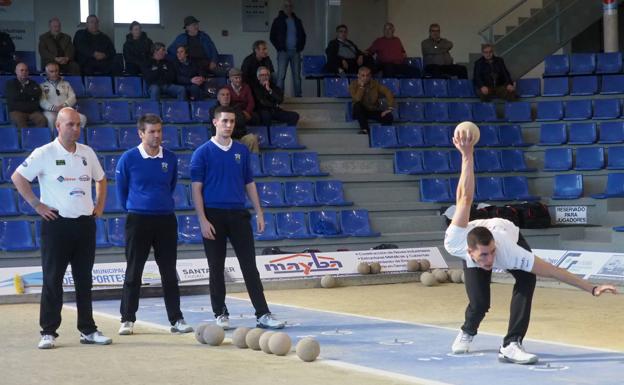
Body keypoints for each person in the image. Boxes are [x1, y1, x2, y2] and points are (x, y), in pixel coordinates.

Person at [445, 125, 618, 364]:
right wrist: (466, 154)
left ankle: (511, 343)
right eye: (484, 256)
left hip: (508, 232)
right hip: (479, 236)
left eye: (492, 253)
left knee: (528, 278)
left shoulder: (506, 250)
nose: (491, 261)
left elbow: (554, 271)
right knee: (480, 303)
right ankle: (468, 330)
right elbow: (464, 197)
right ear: (470, 253)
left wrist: (592, 288)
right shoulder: (455, 241)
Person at [11, 107, 112, 349]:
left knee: (84, 280)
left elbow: (101, 179)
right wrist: (36, 204)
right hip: (56, 225)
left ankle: (88, 330)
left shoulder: (88, 153)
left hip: (85, 225)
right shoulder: (44, 153)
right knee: (53, 279)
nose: (76, 129)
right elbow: (18, 177)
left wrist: (99, 205)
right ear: (58, 126)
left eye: (78, 124)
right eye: (70, 125)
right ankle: (48, 331)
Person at [190, 105, 285, 330]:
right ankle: (220, 313)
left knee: (249, 266)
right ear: (215, 122)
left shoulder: (241, 151)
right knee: (216, 267)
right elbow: (196, 189)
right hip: (213, 216)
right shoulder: (202, 152)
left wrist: (259, 211)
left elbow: (249, 183)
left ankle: (262, 313)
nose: (228, 125)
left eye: (232, 121)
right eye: (224, 121)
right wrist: (203, 220)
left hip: (239, 215)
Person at [115, 114, 192, 336]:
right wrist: (136, 207)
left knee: (169, 272)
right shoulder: (128, 158)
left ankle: (176, 319)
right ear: (141, 133)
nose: (157, 135)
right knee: (133, 271)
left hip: (166, 220)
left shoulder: (171, 158)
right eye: (152, 131)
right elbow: (122, 191)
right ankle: (127, 319)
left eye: (159, 131)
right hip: (138, 220)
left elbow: (171, 185)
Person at [270, 0, 306, 97]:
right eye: (286, 6)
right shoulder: (278, 20)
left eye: (290, 6)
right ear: (283, 7)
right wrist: (279, 48)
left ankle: (298, 97)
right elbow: (272, 36)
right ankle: (279, 97)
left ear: (292, 7)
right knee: (281, 76)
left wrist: (300, 47)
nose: (288, 8)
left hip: (295, 52)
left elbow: (303, 35)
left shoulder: (297, 21)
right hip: (283, 52)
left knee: (297, 77)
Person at [210, 87, 259, 154]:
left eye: (228, 95)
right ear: (218, 98)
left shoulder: (236, 108)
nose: (226, 97)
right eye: (223, 95)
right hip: (224, 140)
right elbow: (217, 130)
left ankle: (253, 163)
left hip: (239, 138)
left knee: (252, 138)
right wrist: (234, 127)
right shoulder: (214, 110)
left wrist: (229, 129)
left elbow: (242, 124)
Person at [40, 62, 87, 131]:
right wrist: (53, 108)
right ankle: (53, 138)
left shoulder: (66, 84)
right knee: (51, 119)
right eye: (51, 71)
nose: (55, 73)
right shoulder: (42, 86)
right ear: (47, 73)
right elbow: (42, 101)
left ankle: (75, 137)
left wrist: (64, 105)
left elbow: (73, 97)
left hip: (65, 109)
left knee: (82, 118)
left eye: (56, 71)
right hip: (50, 111)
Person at [349, 66, 394, 135]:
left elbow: (388, 92)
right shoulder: (353, 85)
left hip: (372, 110)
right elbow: (357, 99)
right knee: (357, 105)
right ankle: (364, 129)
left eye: (367, 75)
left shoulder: (375, 84)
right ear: (358, 76)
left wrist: (390, 108)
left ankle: (383, 134)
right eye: (363, 75)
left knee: (389, 116)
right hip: (360, 111)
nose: (365, 78)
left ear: (370, 76)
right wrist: (361, 87)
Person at [5, 62, 48, 129]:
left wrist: (22, 94)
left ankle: (39, 138)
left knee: (42, 119)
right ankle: (26, 139)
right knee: (19, 120)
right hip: (16, 111)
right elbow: (14, 98)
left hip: (32, 112)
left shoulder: (33, 83)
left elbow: (37, 95)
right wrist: (30, 97)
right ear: (16, 71)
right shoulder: (10, 84)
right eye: (22, 70)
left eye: (26, 70)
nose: (24, 72)